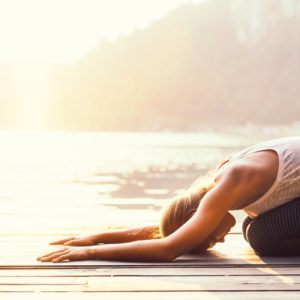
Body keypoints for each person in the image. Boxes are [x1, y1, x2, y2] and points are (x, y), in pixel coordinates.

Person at [37, 136, 300, 263]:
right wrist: (98, 235)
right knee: (252, 229)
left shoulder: (231, 181)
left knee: (261, 236)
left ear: (199, 214)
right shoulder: (217, 183)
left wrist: (89, 252)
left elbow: (168, 248)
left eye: (208, 238)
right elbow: (169, 231)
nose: (218, 240)